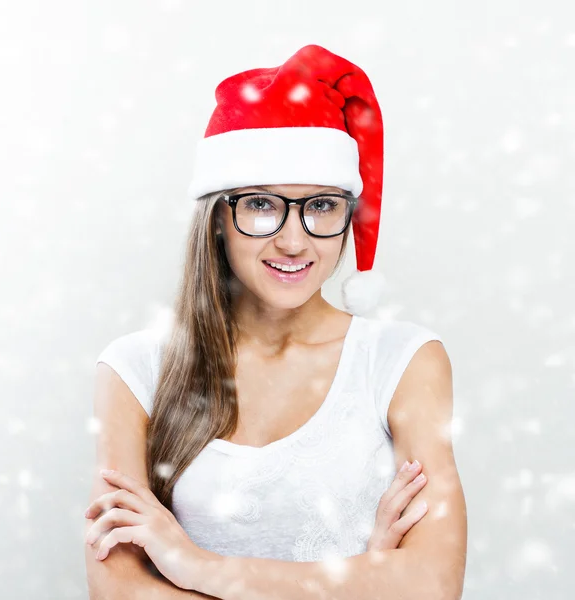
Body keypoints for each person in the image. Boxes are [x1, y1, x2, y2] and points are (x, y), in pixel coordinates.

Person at [84, 44, 467, 599]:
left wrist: (195, 565)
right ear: (218, 217)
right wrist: (361, 579)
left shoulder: (403, 362)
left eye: (321, 206)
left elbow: (432, 585)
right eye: (262, 204)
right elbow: (117, 590)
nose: (294, 240)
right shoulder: (134, 370)